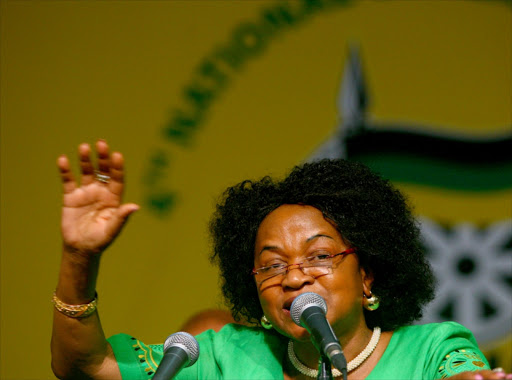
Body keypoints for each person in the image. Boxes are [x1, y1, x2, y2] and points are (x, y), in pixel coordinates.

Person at [51, 140, 511, 380]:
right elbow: (89, 367)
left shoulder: (431, 351)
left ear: (367, 275)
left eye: (318, 256)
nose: (293, 276)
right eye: (271, 265)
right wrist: (79, 256)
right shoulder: (228, 357)